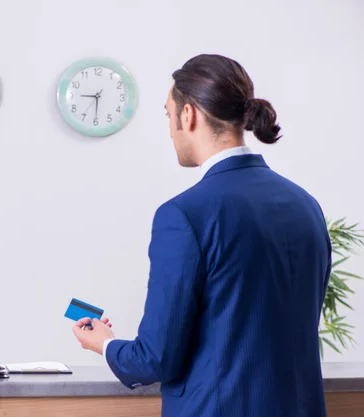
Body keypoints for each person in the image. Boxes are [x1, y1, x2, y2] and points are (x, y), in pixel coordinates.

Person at [72, 54, 331, 417]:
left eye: (168, 114)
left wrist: (105, 343)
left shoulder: (183, 215)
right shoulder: (306, 204)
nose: (169, 128)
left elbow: (154, 359)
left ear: (189, 114)